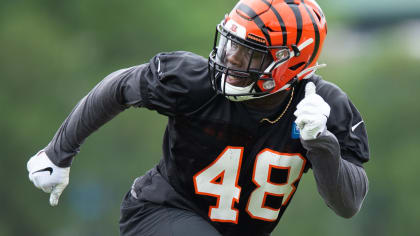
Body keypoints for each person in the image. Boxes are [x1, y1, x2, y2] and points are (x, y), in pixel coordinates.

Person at [26, 0, 369, 235]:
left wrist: (321, 143)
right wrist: (59, 152)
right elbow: (119, 87)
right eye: (231, 43)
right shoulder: (195, 82)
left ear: (287, 62)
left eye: (248, 52)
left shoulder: (323, 109)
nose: (231, 58)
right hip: (159, 213)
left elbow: (348, 203)